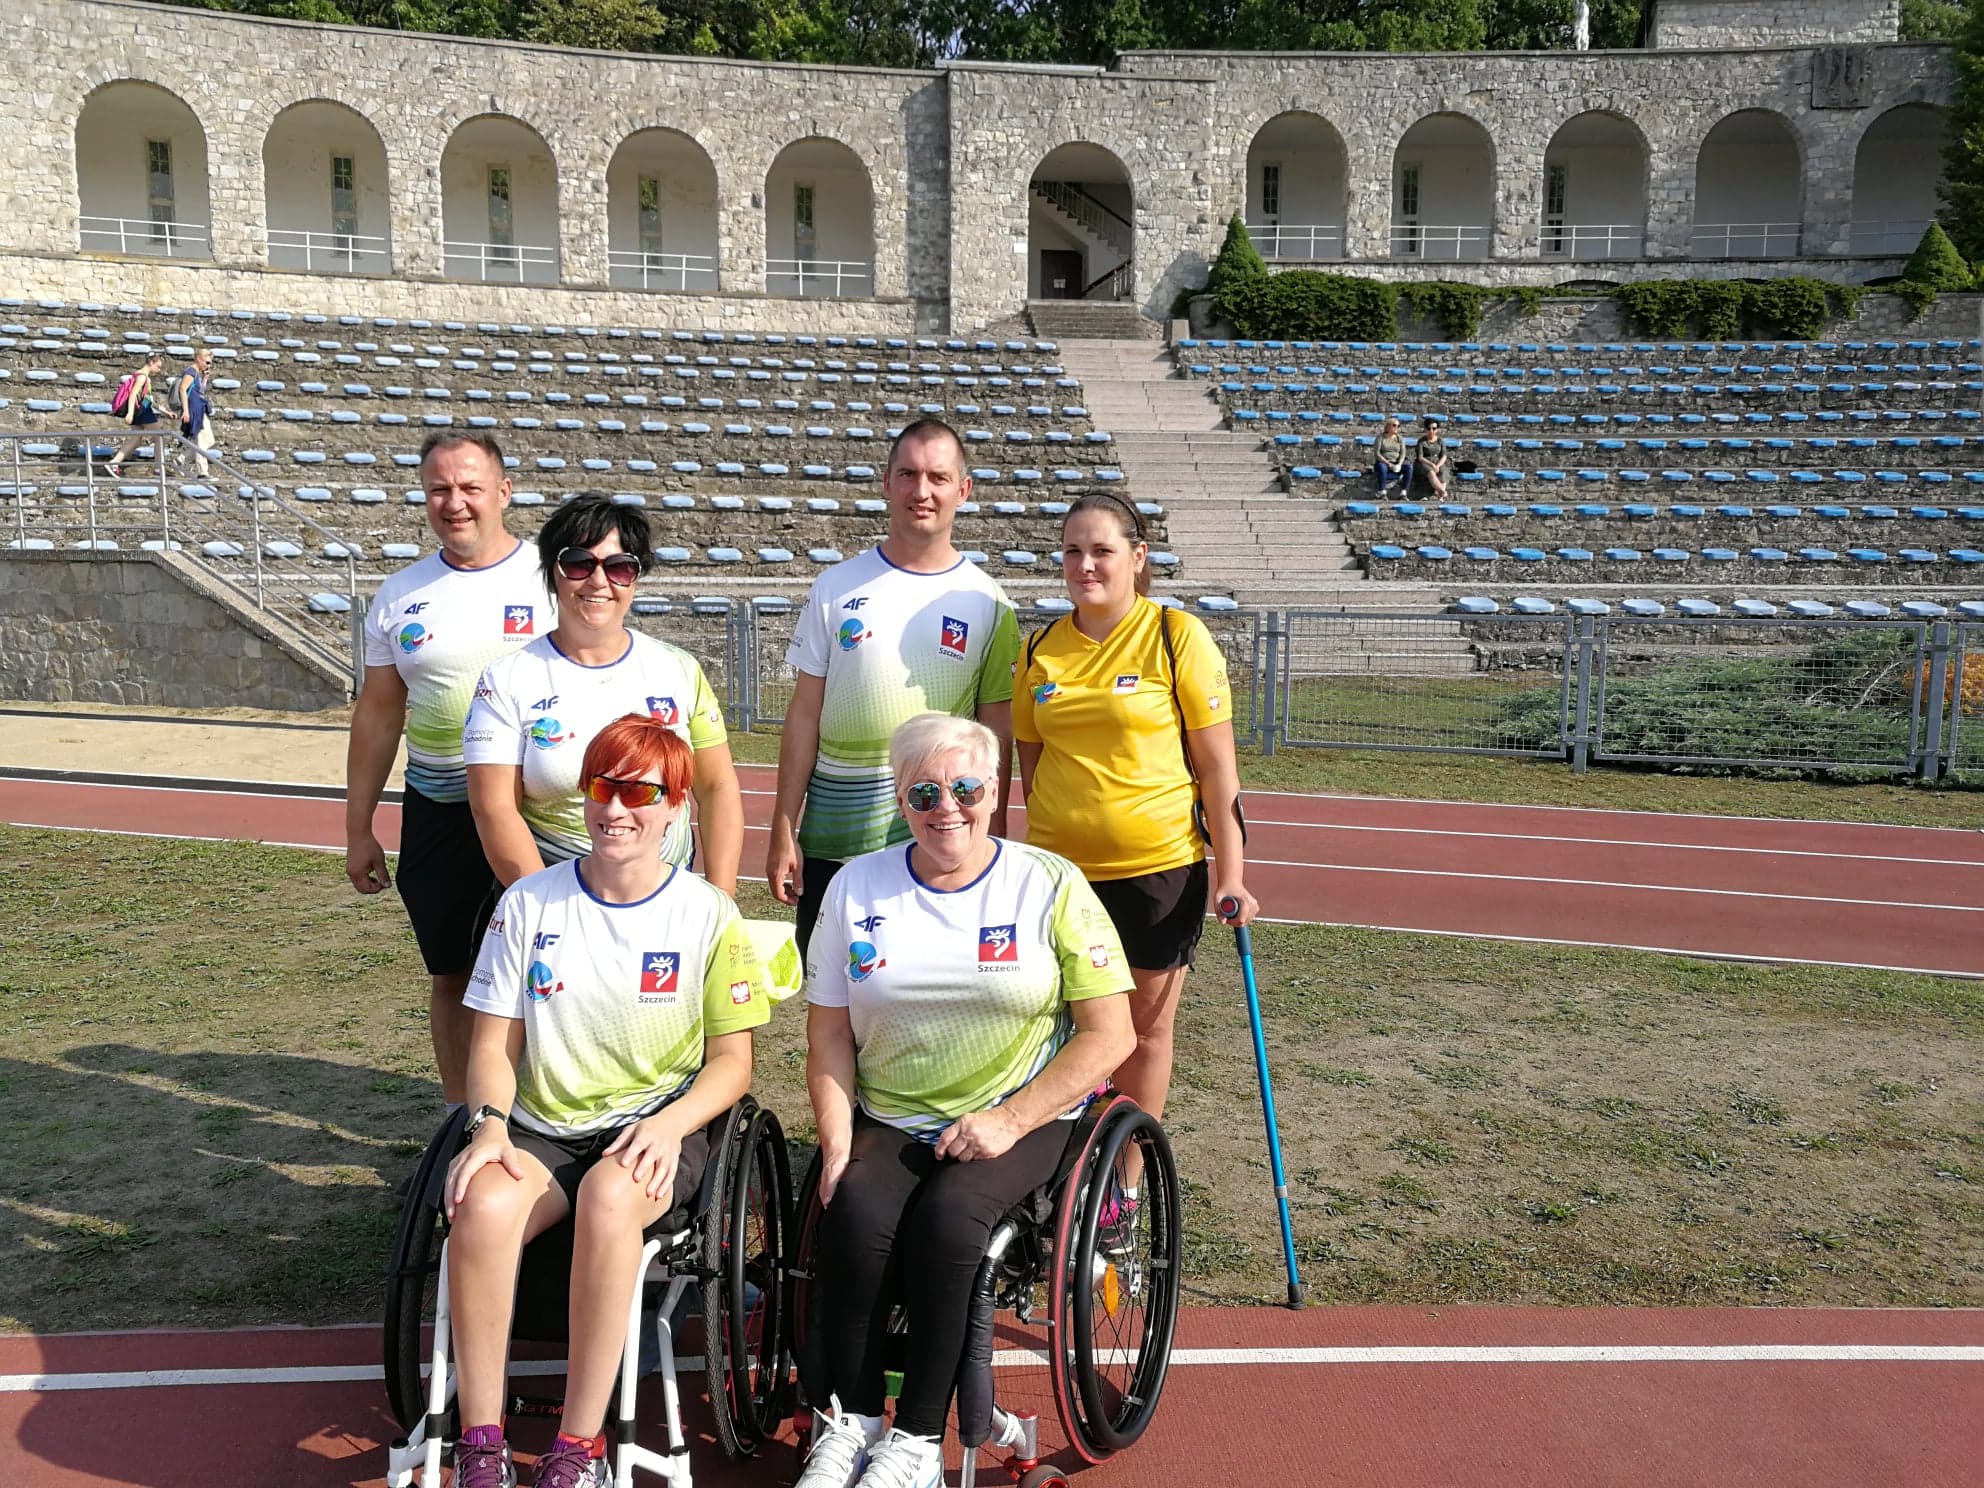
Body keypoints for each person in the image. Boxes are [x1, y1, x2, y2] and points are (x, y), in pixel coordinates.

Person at [797, 713, 1135, 1488]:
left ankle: (915, 1443)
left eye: (964, 787)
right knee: (850, 1209)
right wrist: (838, 1135)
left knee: (953, 1221)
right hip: (893, 1111)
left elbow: (1110, 1034)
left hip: (1023, 1114)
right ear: (900, 799)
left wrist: (1010, 1118)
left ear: (993, 792)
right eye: (922, 791)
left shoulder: (1048, 882)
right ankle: (853, 1424)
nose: (944, 805)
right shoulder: (856, 885)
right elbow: (828, 1037)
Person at [445, 715, 772, 1488]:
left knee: (610, 1195)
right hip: (546, 1125)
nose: (616, 809)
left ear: (675, 807)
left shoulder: (707, 914)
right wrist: (488, 1127)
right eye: (602, 787)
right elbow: (491, 1047)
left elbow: (734, 1064)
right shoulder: (528, 905)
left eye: (639, 792)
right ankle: (481, 1445)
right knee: (483, 1205)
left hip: (659, 1123)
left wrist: (668, 1124)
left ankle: (576, 1449)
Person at [1011, 493, 1258, 1141]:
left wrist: (1231, 874)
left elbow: (1217, 773)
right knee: (1060, 1026)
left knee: (1142, 1035)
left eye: (1101, 550)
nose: (1084, 565)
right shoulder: (1038, 649)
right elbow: (1030, 767)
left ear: (1137, 556)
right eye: (1072, 551)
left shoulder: (1177, 638)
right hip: (1058, 880)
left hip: (1157, 873)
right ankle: (1057, 1164)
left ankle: (1122, 1182)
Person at [346, 430, 552, 1108]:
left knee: (554, 964)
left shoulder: (556, 578)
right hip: (442, 809)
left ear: (504, 492)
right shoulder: (400, 594)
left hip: (543, 808)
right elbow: (378, 715)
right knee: (454, 974)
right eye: (440, 489)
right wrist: (358, 829)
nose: (455, 503)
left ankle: (554, 1112)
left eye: (470, 488)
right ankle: (465, 1119)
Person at [766, 418, 1020, 958]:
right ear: (886, 482)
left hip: (936, 835)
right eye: (907, 474)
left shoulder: (989, 602)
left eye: (938, 477)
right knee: (835, 1007)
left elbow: (996, 732)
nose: (921, 491)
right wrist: (784, 826)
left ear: (963, 490)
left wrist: (989, 836)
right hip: (836, 839)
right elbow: (805, 713)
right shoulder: (835, 586)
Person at [462, 494, 743, 897]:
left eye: (619, 567)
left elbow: (716, 787)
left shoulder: (677, 668)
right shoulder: (506, 679)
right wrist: (548, 911)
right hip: (557, 904)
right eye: (579, 563)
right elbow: (494, 809)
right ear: (553, 572)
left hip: (668, 903)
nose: (598, 581)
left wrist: (721, 899)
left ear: (635, 577)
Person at [104, 351, 165, 477]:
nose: (159, 370)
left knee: (136, 439)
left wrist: (165, 411)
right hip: (142, 411)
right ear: (151, 362)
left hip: (141, 410)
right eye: (158, 366)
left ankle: (114, 462)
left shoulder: (144, 377)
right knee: (159, 436)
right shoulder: (142, 376)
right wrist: (130, 413)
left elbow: (148, 399)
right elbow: (132, 394)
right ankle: (159, 468)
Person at [170, 347, 215, 478]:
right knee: (201, 440)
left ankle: (179, 460)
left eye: (210, 363)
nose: (209, 365)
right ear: (198, 359)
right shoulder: (190, 371)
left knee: (208, 440)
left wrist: (205, 378)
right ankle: (202, 472)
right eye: (207, 362)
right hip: (193, 410)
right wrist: (185, 411)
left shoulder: (197, 373)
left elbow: (200, 392)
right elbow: (183, 389)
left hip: (200, 409)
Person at [1373, 415, 1410, 499]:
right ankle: (1382, 491)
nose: (1396, 427)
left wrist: (1400, 464)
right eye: (1394, 425)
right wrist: (1388, 463)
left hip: (1396, 462)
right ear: (1388, 426)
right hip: (1384, 462)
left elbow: (1403, 453)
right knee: (1382, 467)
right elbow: (1377, 453)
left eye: (1398, 426)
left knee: (1408, 467)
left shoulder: (1399, 438)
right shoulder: (1380, 438)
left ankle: (1404, 492)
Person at [1415, 416, 1451, 500]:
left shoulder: (1440, 441)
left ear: (1437, 429)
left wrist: (1437, 465)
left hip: (1437, 462)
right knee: (1430, 471)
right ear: (1426, 429)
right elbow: (1420, 457)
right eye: (1429, 428)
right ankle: (1442, 492)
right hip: (1424, 462)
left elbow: (1444, 456)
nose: (1431, 431)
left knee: (1444, 471)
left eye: (1434, 428)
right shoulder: (1421, 441)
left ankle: (1438, 494)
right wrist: (1432, 465)